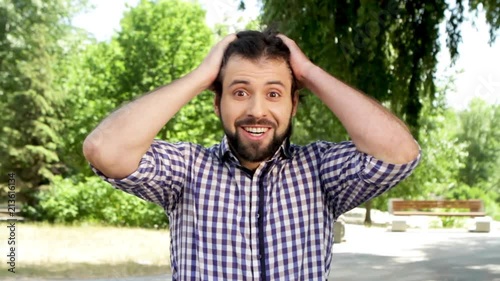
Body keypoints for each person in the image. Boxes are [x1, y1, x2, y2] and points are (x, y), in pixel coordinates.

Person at [83, 29, 420, 280]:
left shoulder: (320, 170)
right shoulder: (187, 169)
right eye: (239, 92)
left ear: (294, 104)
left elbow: (399, 153)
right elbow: (105, 150)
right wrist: (201, 76)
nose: (257, 110)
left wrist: (310, 74)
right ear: (217, 103)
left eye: (274, 93)